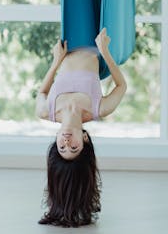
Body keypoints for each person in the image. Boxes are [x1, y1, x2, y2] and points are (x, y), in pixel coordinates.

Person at [36, 28, 127, 227]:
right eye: (74, 148)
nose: (67, 142)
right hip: (96, 43)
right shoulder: (99, 109)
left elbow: (42, 92)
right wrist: (105, 52)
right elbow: (121, 86)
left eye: (62, 147)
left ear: (57, 140)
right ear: (85, 140)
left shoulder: (46, 111)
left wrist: (56, 61)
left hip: (71, 37)